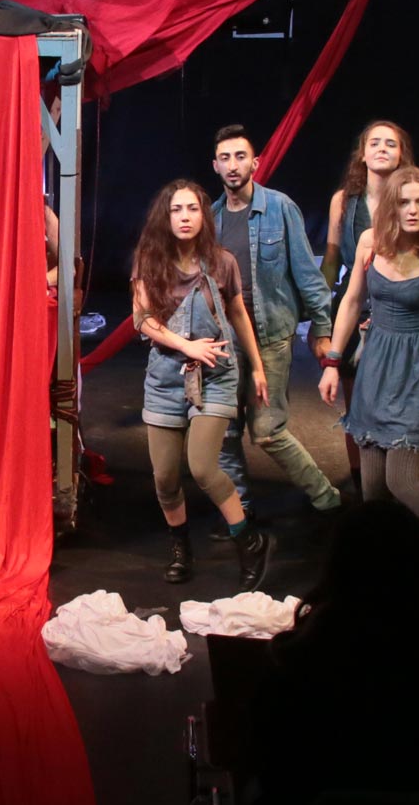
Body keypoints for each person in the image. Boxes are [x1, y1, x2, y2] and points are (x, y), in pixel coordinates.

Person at [316, 167, 419, 529]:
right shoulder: (369, 242)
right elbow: (351, 301)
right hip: (376, 368)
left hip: (418, 372)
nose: (412, 210)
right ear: (390, 206)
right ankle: (391, 559)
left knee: (402, 481)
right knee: (374, 488)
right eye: (404, 202)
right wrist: (332, 362)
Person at [133, 178, 273, 590]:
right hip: (166, 376)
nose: (185, 217)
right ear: (165, 217)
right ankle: (181, 547)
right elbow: (142, 319)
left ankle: (250, 542)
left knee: (203, 466)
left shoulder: (222, 262)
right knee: (164, 477)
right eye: (176, 209)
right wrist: (185, 345)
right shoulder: (149, 260)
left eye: (192, 208)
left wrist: (258, 368)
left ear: (203, 215)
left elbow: (238, 313)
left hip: (216, 374)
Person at [210, 122, 343, 518]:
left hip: (270, 337)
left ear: (255, 162)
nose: (233, 165)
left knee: (268, 431)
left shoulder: (279, 208)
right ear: (215, 166)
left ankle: (327, 498)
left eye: (240, 156)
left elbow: (307, 272)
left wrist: (322, 328)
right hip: (226, 341)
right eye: (225, 158)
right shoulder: (211, 218)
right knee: (225, 432)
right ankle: (239, 510)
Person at [320, 119, 411, 492]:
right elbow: (330, 261)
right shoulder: (344, 201)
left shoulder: (413, 198)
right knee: (357, 405)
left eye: (391, 143)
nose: (382, 148)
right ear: (362, 153)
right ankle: (362, 488)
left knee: (401, 408)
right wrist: (319, 318)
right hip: (354, 306)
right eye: (375, 142)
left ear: (401, 154)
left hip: (399, 310)